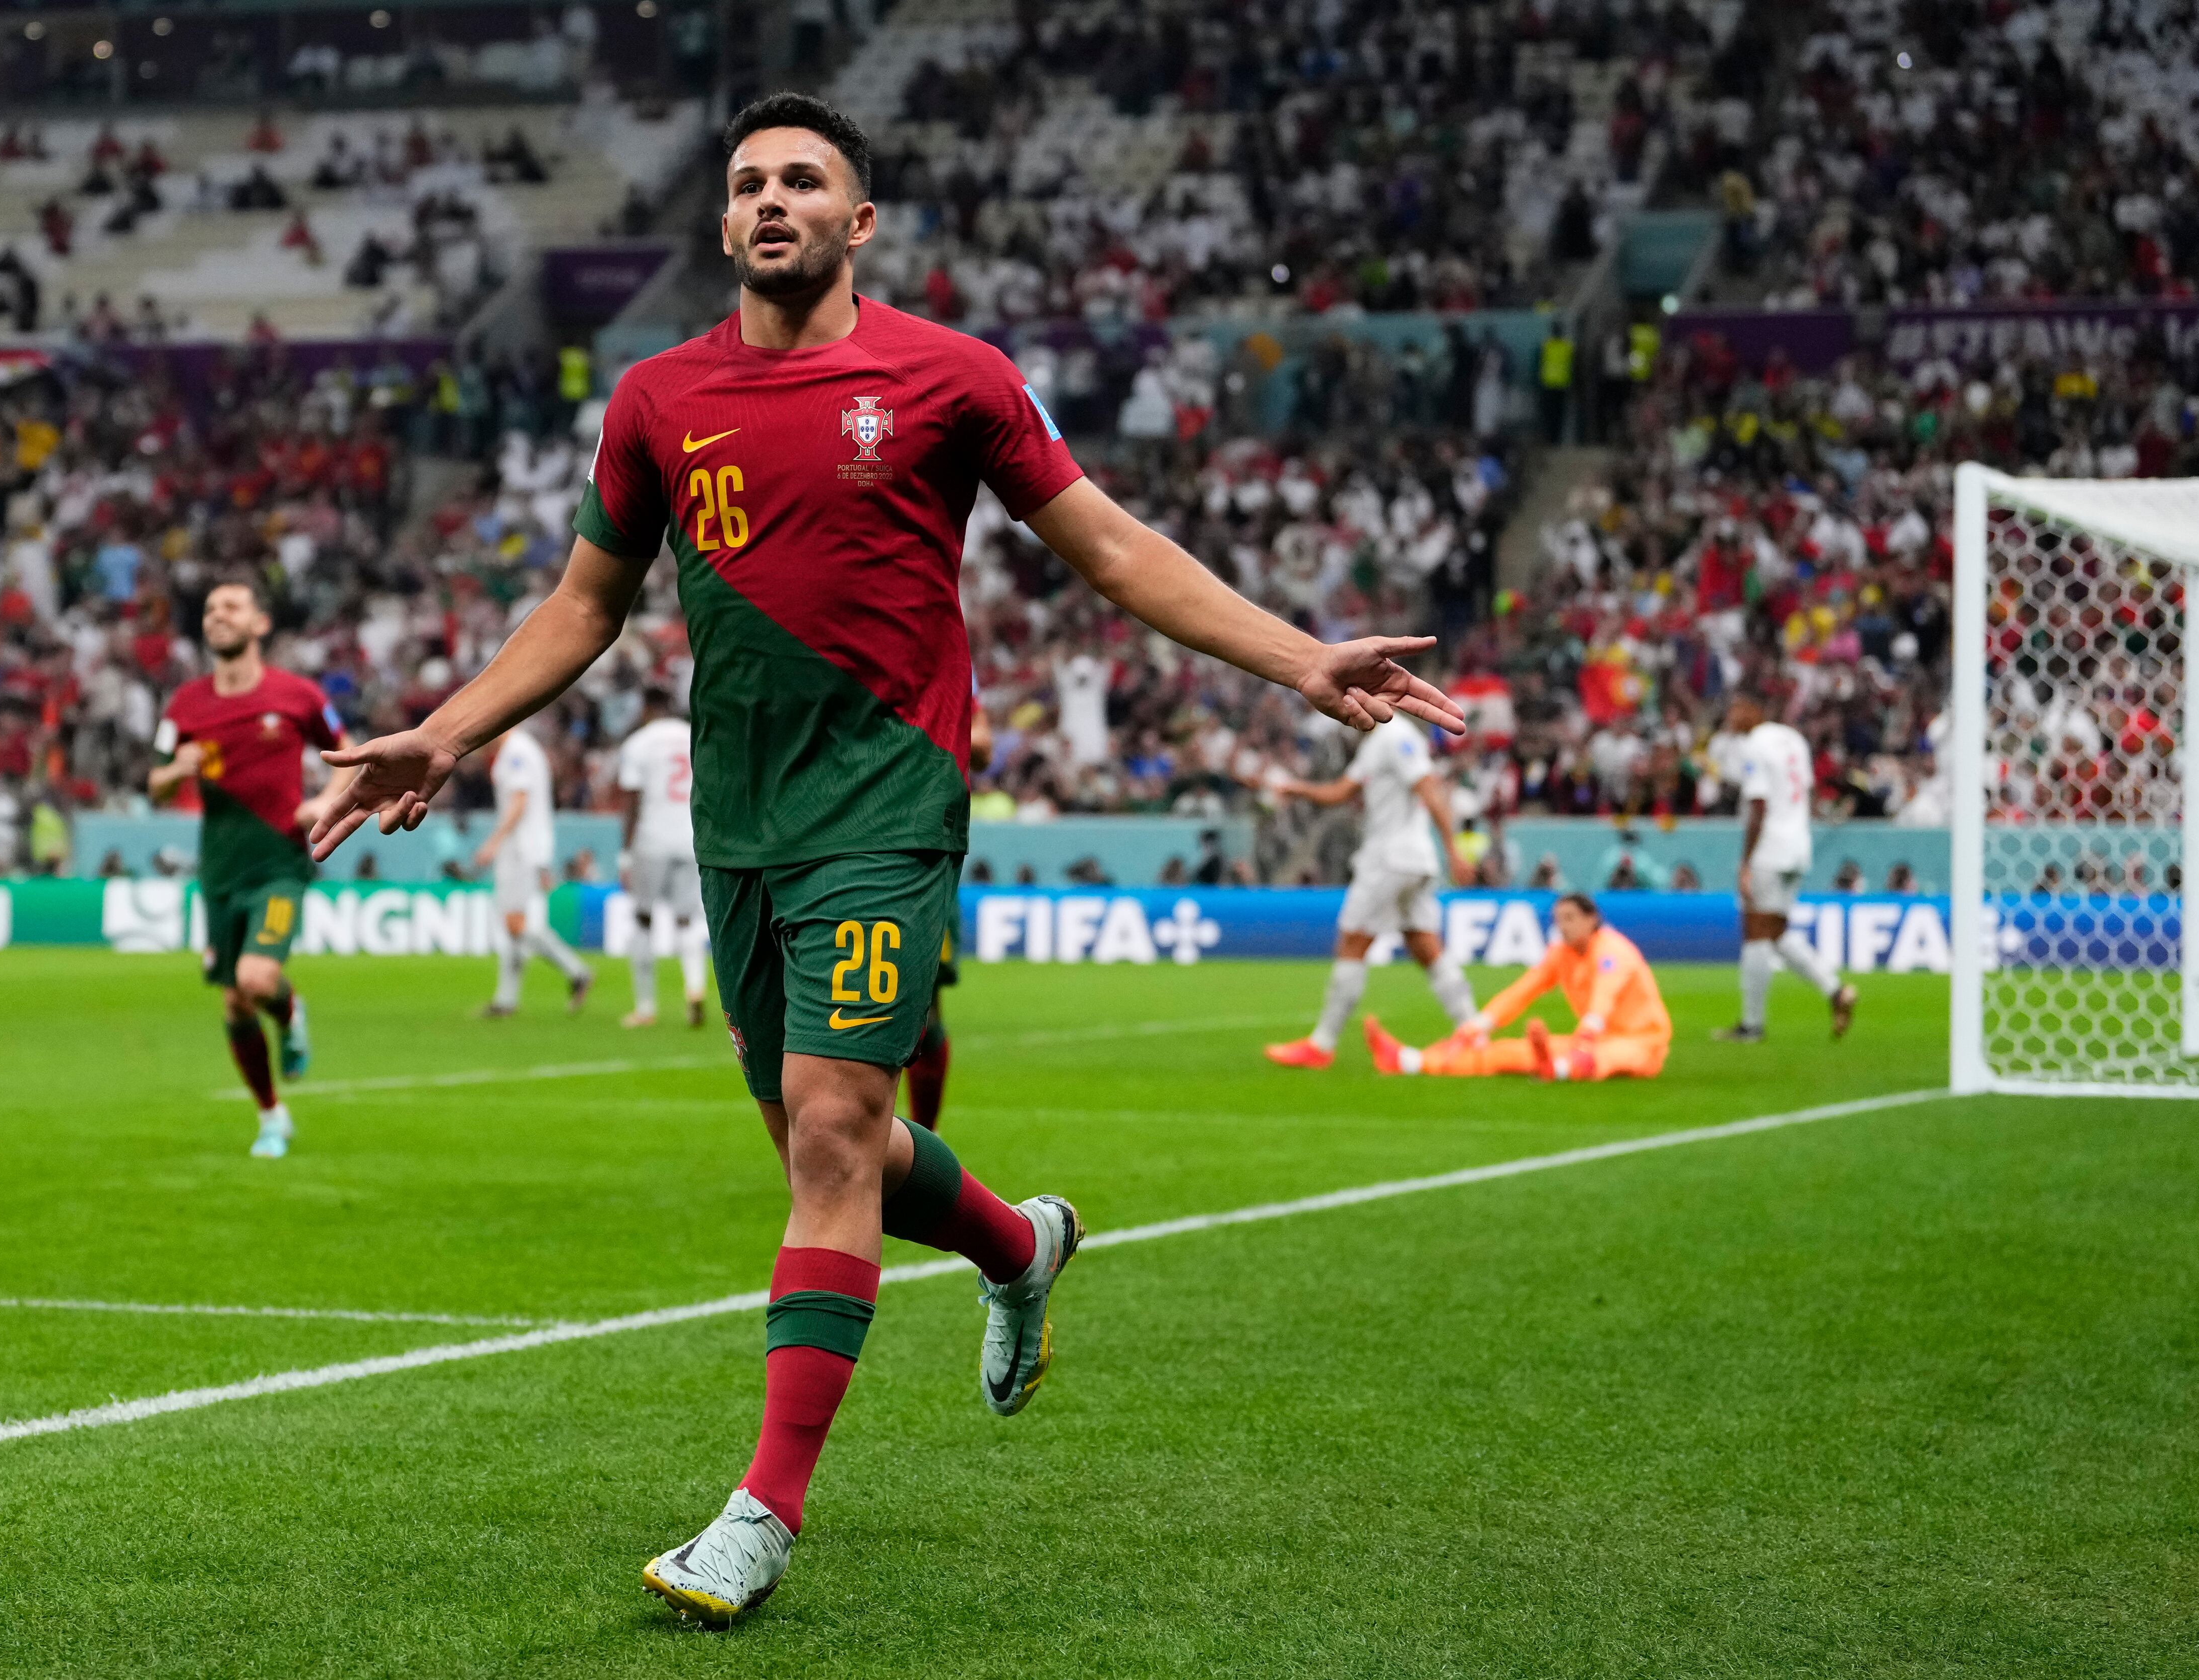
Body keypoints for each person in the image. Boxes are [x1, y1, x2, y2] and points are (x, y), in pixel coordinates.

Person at [305, 91, 1463, 1626]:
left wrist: (1299, 658)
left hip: (886, 799)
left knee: (838, 1128)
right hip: (739, 823)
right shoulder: (655, 398)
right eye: (747, 183)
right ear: (725, 221)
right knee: (819, 1141)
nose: (769, 200)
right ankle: (1018, 1243)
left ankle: (760, 1514)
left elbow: (1113, 548)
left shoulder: (949, 379)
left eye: (802, 181)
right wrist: (447, 732)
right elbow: (586, 604)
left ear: (857, 222)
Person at [149, 580, 359, 1159]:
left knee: (257, 980)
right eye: (211, 609)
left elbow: (346, 752)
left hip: (278, 865)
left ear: (259, 624)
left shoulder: (297, 695)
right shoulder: (185, 705)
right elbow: (155, 782)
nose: (218, 615)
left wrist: (326, 802)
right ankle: (271, 1114)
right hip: (219, 869)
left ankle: (289, 1011)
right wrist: (177, 772)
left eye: (231, 607)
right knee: (236, 1003)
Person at [1264, 713, 1477, 1068]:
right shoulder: (1376, 742)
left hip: (1391, 858)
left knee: (1353, 940)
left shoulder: (1396, 736)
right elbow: (1341, 792)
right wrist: (1296, 789)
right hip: (1413, 860)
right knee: (1425, 944)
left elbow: (1429, 788)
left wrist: (1454, 850)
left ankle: (1321, 1045)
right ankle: (1473, 1031)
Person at [1362, 893, 1669, 1080]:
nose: (1563, 927)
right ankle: (1411, 1060)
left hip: (1643, 1042)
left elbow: (1606, 995)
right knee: (1507, 1052)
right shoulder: (1561, 954)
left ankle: (1560, 1069)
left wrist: (1588, 1034)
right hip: (1591, 1038)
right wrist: (1479, 1026)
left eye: (1571, 918)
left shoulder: (1613, 951)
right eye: (1559, 920)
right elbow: (1523, 991)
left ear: (1592, 920)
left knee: (1610, 1057)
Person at [1715, 692, 1856, 1042]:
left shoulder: (1754, 745)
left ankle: (1752, 1025)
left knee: (1756, 930)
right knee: (1776, 931)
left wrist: (1746, 861)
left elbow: (1759, 804)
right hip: (1798, 846)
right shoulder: (1793, 740)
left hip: (1769, 848)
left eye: (1737, 709)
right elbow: (1806, 791)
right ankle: (1836, 991)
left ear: (1755, 710)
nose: (1731, 717)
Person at [905, 702, 990, 1129]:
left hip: (919, 859)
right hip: (903, 852)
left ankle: (922, 1143)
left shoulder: (939, 679)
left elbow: (983, 746)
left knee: (921, 1009)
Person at [472, 722, 591, 1017]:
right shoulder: (519, 749)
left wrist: (493, 842)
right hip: (522, 846)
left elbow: (520, 801)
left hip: (521, 846)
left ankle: (577, 971)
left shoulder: (517, 752)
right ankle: (506, 1000)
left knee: (514, 923)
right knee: (512, 925)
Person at [613, 685, 707, 1027]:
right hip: (691, 838)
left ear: (646, 709)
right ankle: (695, 989)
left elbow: (632, 802)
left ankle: (646, 1007)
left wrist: (626, 854)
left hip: (652, 840)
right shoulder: (694, 735)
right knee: (687, 919)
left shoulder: (639, 743)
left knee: (642, 918)